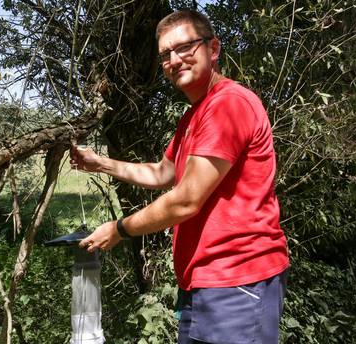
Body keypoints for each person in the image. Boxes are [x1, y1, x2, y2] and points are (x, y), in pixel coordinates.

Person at [70, 9, 289, 344]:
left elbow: (186, 200)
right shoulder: (194, 117)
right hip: (202, 282)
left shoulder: (228, 104)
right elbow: (162, 172)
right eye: (166, 54)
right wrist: (99, 163)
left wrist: (118, 229)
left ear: (213, 49)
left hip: (238, 282)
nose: (175, 60)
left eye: (185, 47)